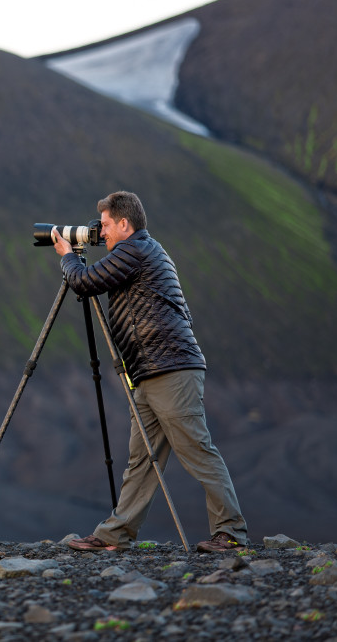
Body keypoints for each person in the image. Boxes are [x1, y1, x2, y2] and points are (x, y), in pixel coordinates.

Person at [52, 191, 248, 553]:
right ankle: (115, 534)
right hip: (150, 370)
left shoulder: (135, 250)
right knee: (142, 459)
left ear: (125, 224)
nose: (101, 232)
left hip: (169, 368)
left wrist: (68, 257)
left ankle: (232, 532)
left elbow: (85, 283)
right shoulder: (140, 251)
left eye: (107, 225)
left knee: (197, 450)